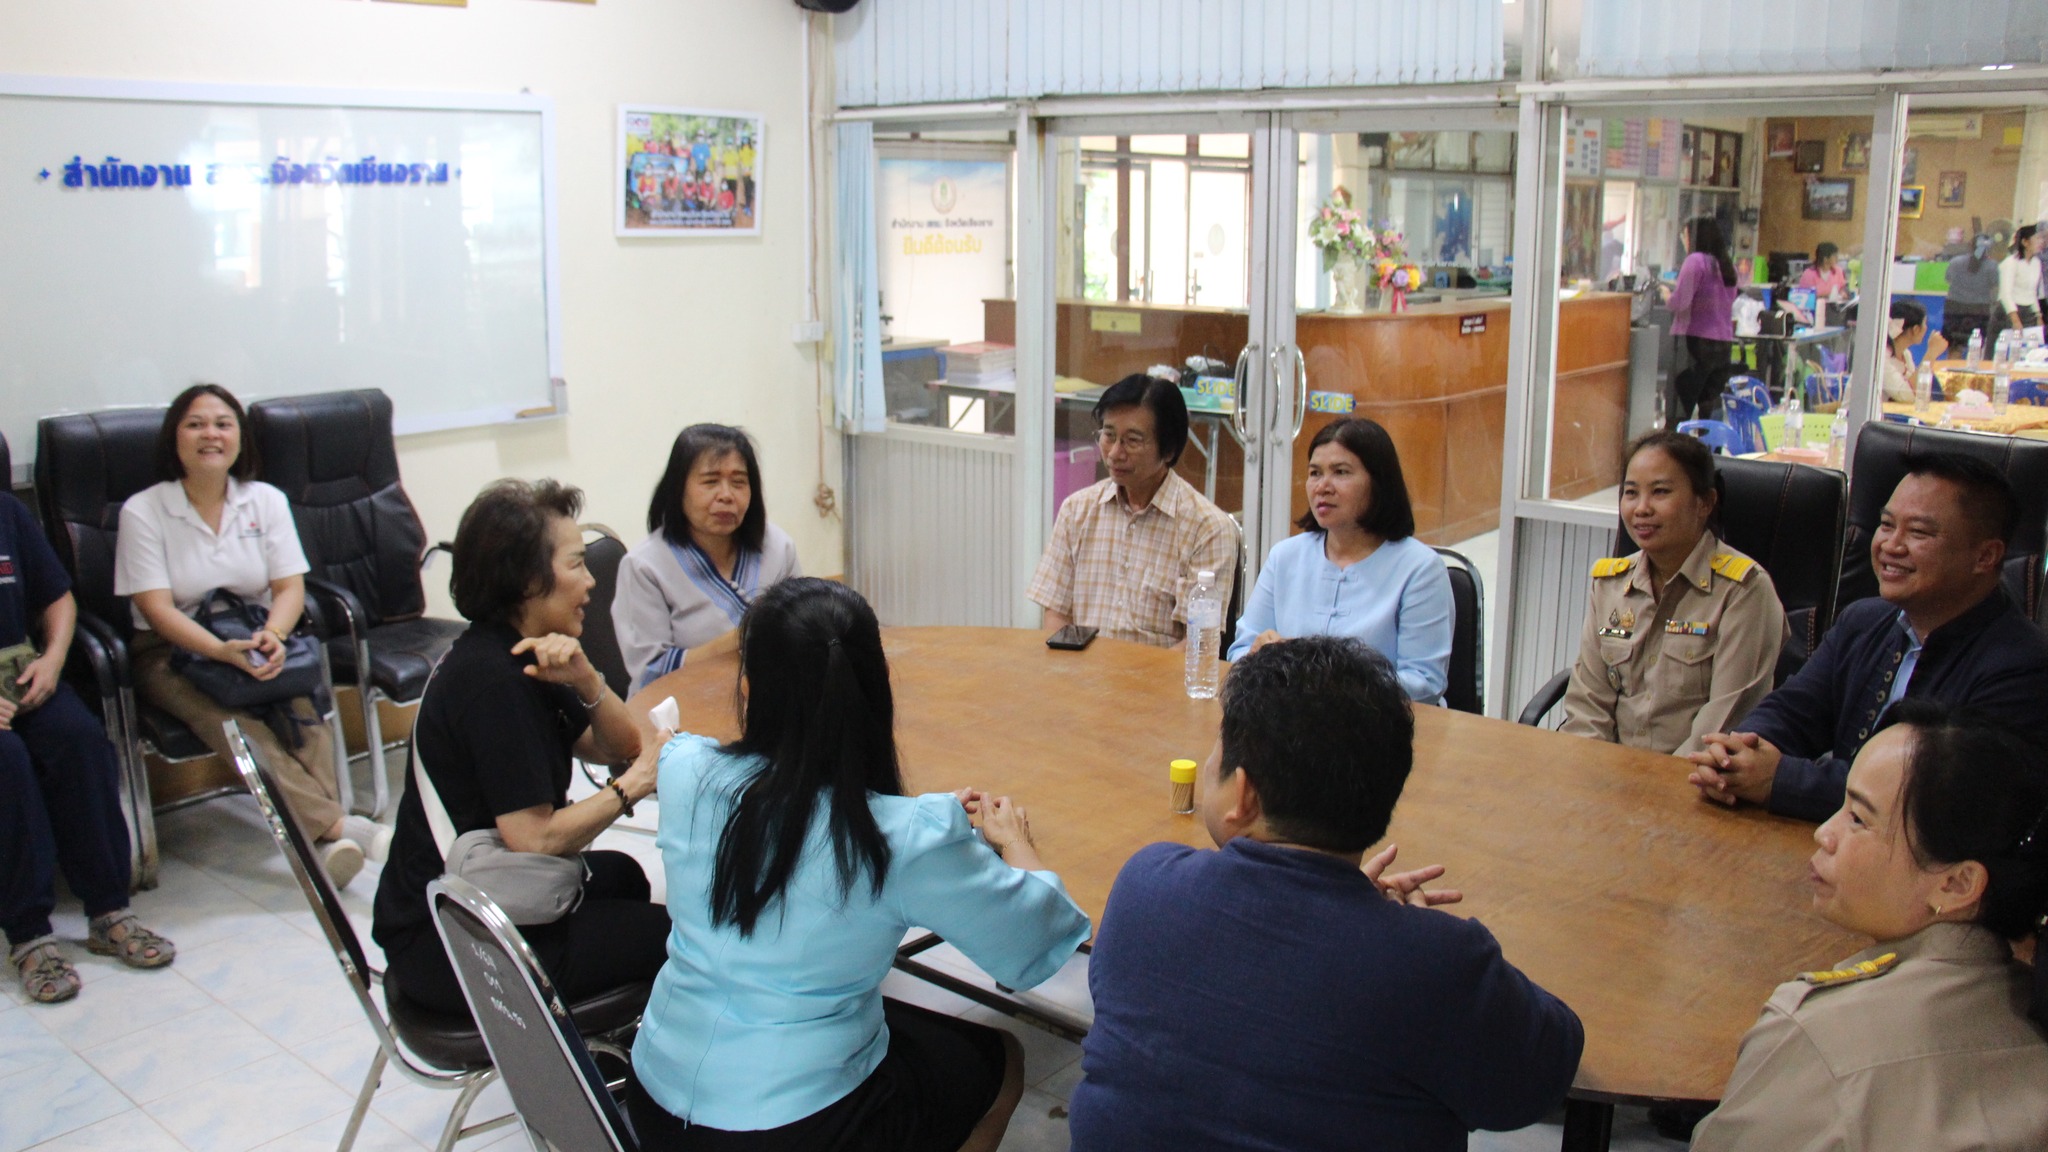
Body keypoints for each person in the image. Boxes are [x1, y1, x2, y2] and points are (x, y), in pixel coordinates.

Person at [1069, 637, 1583, 1151]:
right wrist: (1405, 933)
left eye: (1216, 752)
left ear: (1243, 794)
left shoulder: (1147, 886)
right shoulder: (1438, 963)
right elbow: (1539, 1077)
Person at [629, 577, 1091, 1150]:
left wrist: (927, 823)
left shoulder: (683, 770)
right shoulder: (901, 839)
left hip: (652, 1096)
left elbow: (712, 767)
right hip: (792, 1125)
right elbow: (1031, 946)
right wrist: (1015, 843)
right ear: (879, 687)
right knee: (1001, 1059)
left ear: (748, 690)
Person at [1689, 702, 2048, 1150]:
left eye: (1858, 818)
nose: (1825, 832)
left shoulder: (1816, 1038)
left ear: (1957, 883)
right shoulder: (2031, 1020)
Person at [371, 479, 668, 1017]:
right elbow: (534, 838)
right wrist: (635, 786)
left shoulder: (520, 654)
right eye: (577, 564)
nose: (591, 580)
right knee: (670, 938)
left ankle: (607, 1043)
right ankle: (597, 1073)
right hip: (452, 943)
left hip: (479, 896)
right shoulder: (493, 685)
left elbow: (620, 744)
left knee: (625, 876)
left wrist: (586, 680)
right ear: (531, 580)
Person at [1687, 453, 2048, 820]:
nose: (1891, 546)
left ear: (1985, 556)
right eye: (1887, 525)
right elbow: (1792, 711)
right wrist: (1735, 755)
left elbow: (1933, 795)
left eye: (1919, 532)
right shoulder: (1864, 620)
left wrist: (1781, 780)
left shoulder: (2022, 665)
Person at [113, 385, 371, 886]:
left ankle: (325, 842)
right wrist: (219, 651)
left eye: (223, 423)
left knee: (304, 707)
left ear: (239, 437)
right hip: (172, 652)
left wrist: (274, 634)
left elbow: (289, 588)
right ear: (175, 438)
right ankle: (337, 827)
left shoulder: (265, 501)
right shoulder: (144, 510)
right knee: (239, 726)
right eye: (195, 424)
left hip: (255, 637)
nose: (211, 434)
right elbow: (156, 609)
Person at [1, 489, 174, 1003]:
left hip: (23, 676)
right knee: (6, 764)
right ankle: (29, 935)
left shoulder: (6, 513)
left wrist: (53, 660)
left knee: (78, 741)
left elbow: (57, 596)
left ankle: (108, 912)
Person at [1560, 431, 1785, 756]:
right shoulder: (1609, 584)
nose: (1641, 509)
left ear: (1705, 502)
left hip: (1692, 784)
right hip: (1606, 779)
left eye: (1660, 492)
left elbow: (1724, 723)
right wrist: (1595, 776)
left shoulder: (1744, 591)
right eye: (1631, 493)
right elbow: (1587, 704)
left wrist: (1656, 790)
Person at [1226, 417, 1452, 703]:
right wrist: (1258, 653)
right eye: (1315, 473)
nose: (1323, 486)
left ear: (1379, 482)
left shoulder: (1420, 569)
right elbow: (1239, 651)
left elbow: (1424, 684)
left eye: (1341, 472)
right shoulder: (1285, 556)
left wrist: (1326, 679)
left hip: (1380, 730)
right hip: (1288, 723)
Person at [1027, 373, 1238, 647]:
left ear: (1169, 450)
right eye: (1108, 435)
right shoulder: (1077, 510)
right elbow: (1056, 613)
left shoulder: (1207, 528)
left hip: (1158, 684)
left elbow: (1199, 642)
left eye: (1132, 440)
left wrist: (1136, 686)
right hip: (1082, 681)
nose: (1114, 453)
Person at [613, 424, 800, 691]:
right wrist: (740, 641)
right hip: (678, 708)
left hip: (767, 699)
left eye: (738, 482)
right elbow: (651, 669)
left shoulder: (779, 547)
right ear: (678, 490)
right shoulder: (644, 566)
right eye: (710, 481)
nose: (726, 495)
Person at [1661, 217, 1740, 423]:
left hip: (1693, 345)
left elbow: (1680, 303)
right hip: (1722, 346)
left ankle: (1676, 454)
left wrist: (1666, 295)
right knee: (1711, 412)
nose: (1683, 240)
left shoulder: (1695, 261)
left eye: (1684, 235)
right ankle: (1710, 452)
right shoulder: (1725, 266)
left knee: (1679, 411)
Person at [1940, 233, 1999, 355]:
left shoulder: (1955, 262)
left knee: (1954, 346)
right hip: (1979, 311)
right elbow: (1994, 285)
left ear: (1970, 246)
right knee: (1976, 347)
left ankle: (1951, 370)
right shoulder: (1992, 266)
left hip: (1954, 309)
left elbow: (1948, 279)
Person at [1881, 298, 1947, 403]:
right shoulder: (1881, 357)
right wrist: (1931, 353)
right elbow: (1907, 395)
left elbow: (1918, 392)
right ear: (1916, 329)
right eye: (1924, 323)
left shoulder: (1906, 354)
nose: (1926, 328)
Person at [1990, 224, 2043, 349]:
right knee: (2001, 349)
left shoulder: (2036, 263)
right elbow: (2005, 294)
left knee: (2026, 351)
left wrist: (2038, 315)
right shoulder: (2010, 263)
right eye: (2037, 239)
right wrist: (2015, 320)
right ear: (2025, 242)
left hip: (2028, 312)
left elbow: (2032, 292)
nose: (2041, 242)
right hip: (2008, 313)